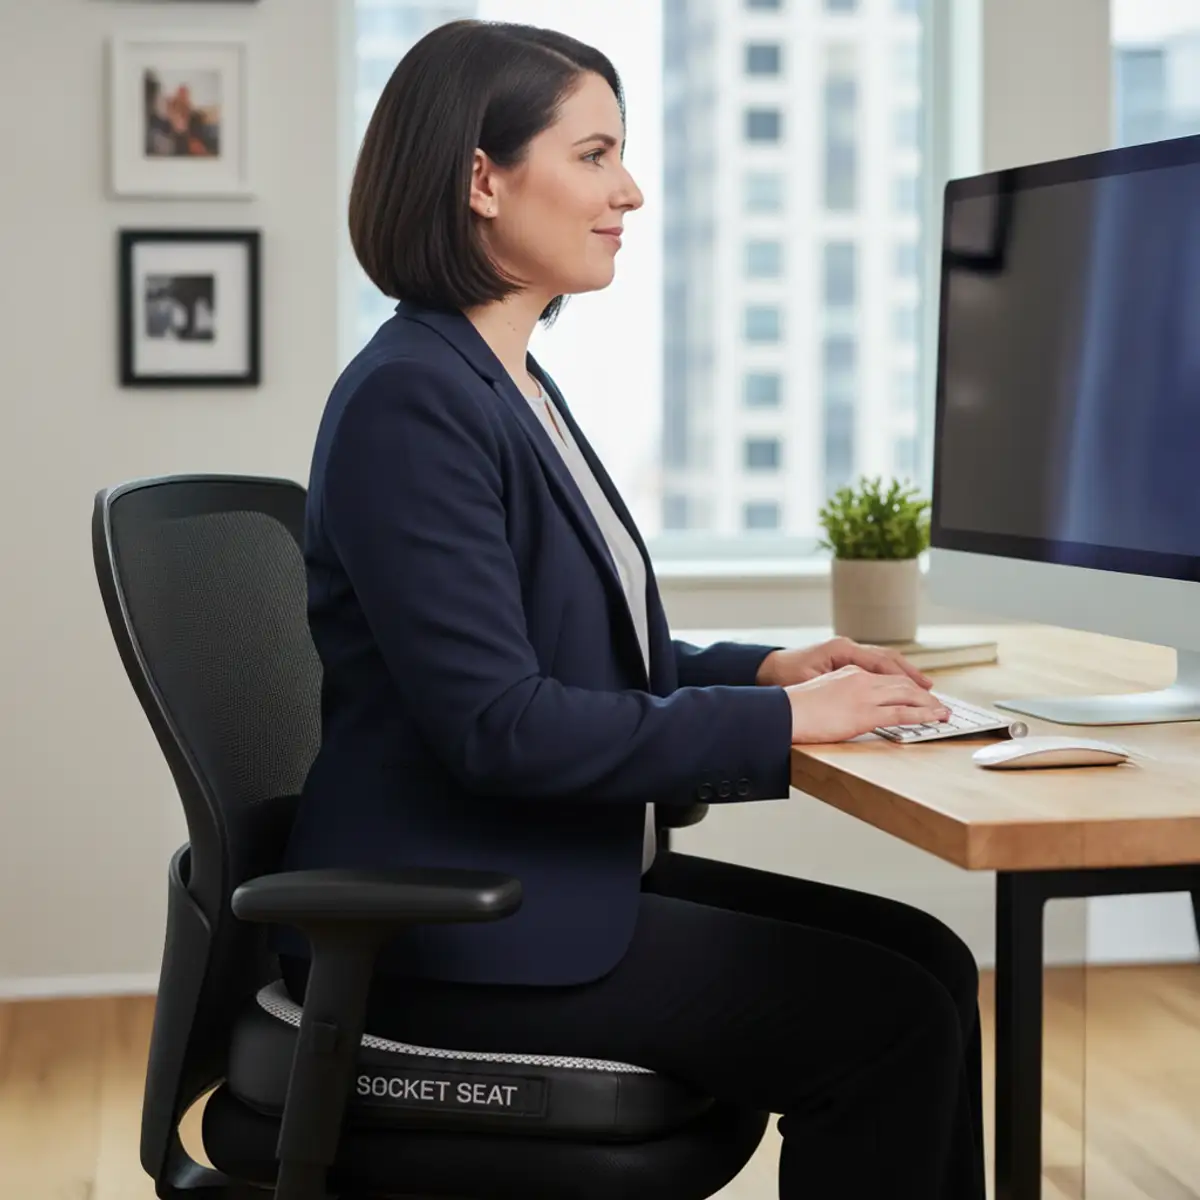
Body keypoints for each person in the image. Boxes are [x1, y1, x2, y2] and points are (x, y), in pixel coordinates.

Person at [278, 19, 985, 1199]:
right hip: (458, 922)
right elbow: (502, 726)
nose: (632, 192)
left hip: (542, 877)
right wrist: (791, 729)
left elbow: (580, 658)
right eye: (597, 154)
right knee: (890, 1020)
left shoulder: (504, 383)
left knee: (929, 959)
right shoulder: (414, 399)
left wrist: (767, 675)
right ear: (483, 179)